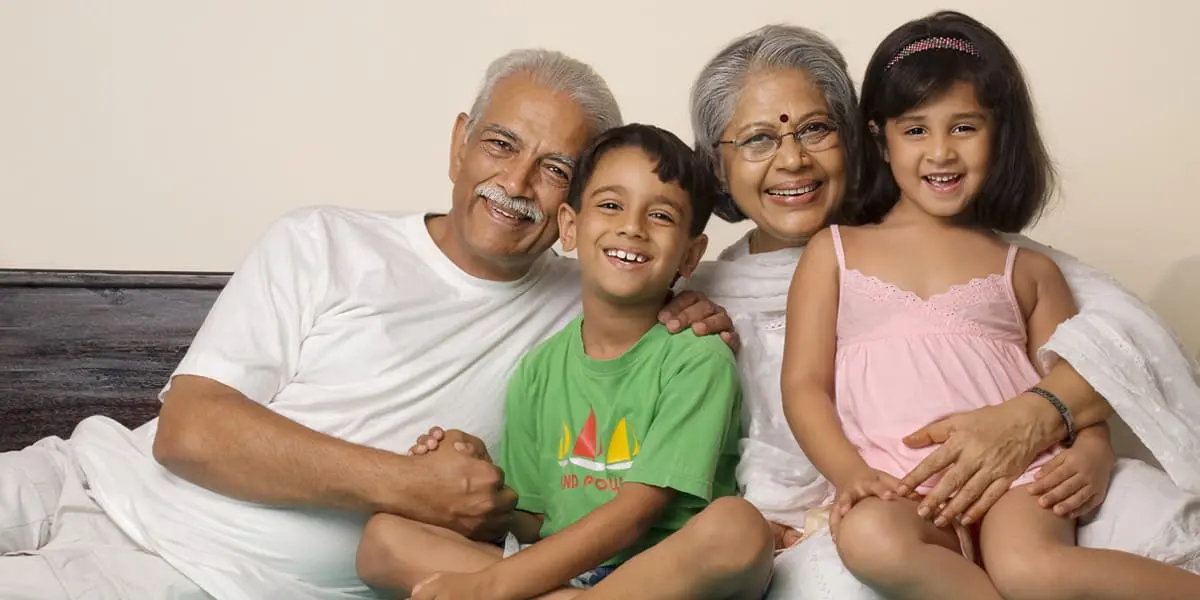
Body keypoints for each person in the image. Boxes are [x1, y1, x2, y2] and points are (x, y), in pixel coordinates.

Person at [0, 49, 742, 600]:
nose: (515, 185)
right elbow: (189, 432)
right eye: (501, 144)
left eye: (554, 168)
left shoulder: (584, 300)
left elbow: (654, 250)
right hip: (88, 479)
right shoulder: (322, 239)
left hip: (201, 576)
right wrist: (412, 485)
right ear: (459, 142)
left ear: (570, 211)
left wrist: (698, 302)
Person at [683, 17, 1200, 600]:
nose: (792, 158)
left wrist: (1093, 451)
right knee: (871, 536)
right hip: (899, 489)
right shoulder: (810, 264)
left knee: (1031, 568)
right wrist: (853, 477)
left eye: (815, 129)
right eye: (759, 138)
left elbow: (1105, 364)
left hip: (1020, 480)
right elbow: (802, 386)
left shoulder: (1026, 266)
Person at [355, 123, 773, 600]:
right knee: (383, 539)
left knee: (738, 528)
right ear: (570, 227)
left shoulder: (697, 358)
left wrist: (492, 586)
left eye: (660, 215)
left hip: (661, 581)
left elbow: (636, 512)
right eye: (611, 206)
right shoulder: (539, 370)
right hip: (565, 581)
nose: (632, 227)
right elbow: (535, 521)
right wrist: (480, 481)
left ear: (690, 255)